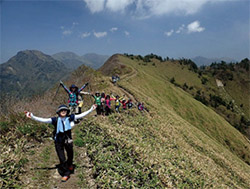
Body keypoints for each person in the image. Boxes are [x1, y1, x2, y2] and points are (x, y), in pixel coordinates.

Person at [25, 104, 96, 182]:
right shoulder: (55, 120)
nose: (63, 111)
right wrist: (32, 116)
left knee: (70, 153)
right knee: (62, 157)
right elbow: (43, 120)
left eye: (65, 110)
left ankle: (69, 164)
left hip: (68, 140)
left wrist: (90, 109)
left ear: (67, 111)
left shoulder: (70, 118)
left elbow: (81, 115)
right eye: (61, 110)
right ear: (58, 112)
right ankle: (66, 173)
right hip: (58, 141)